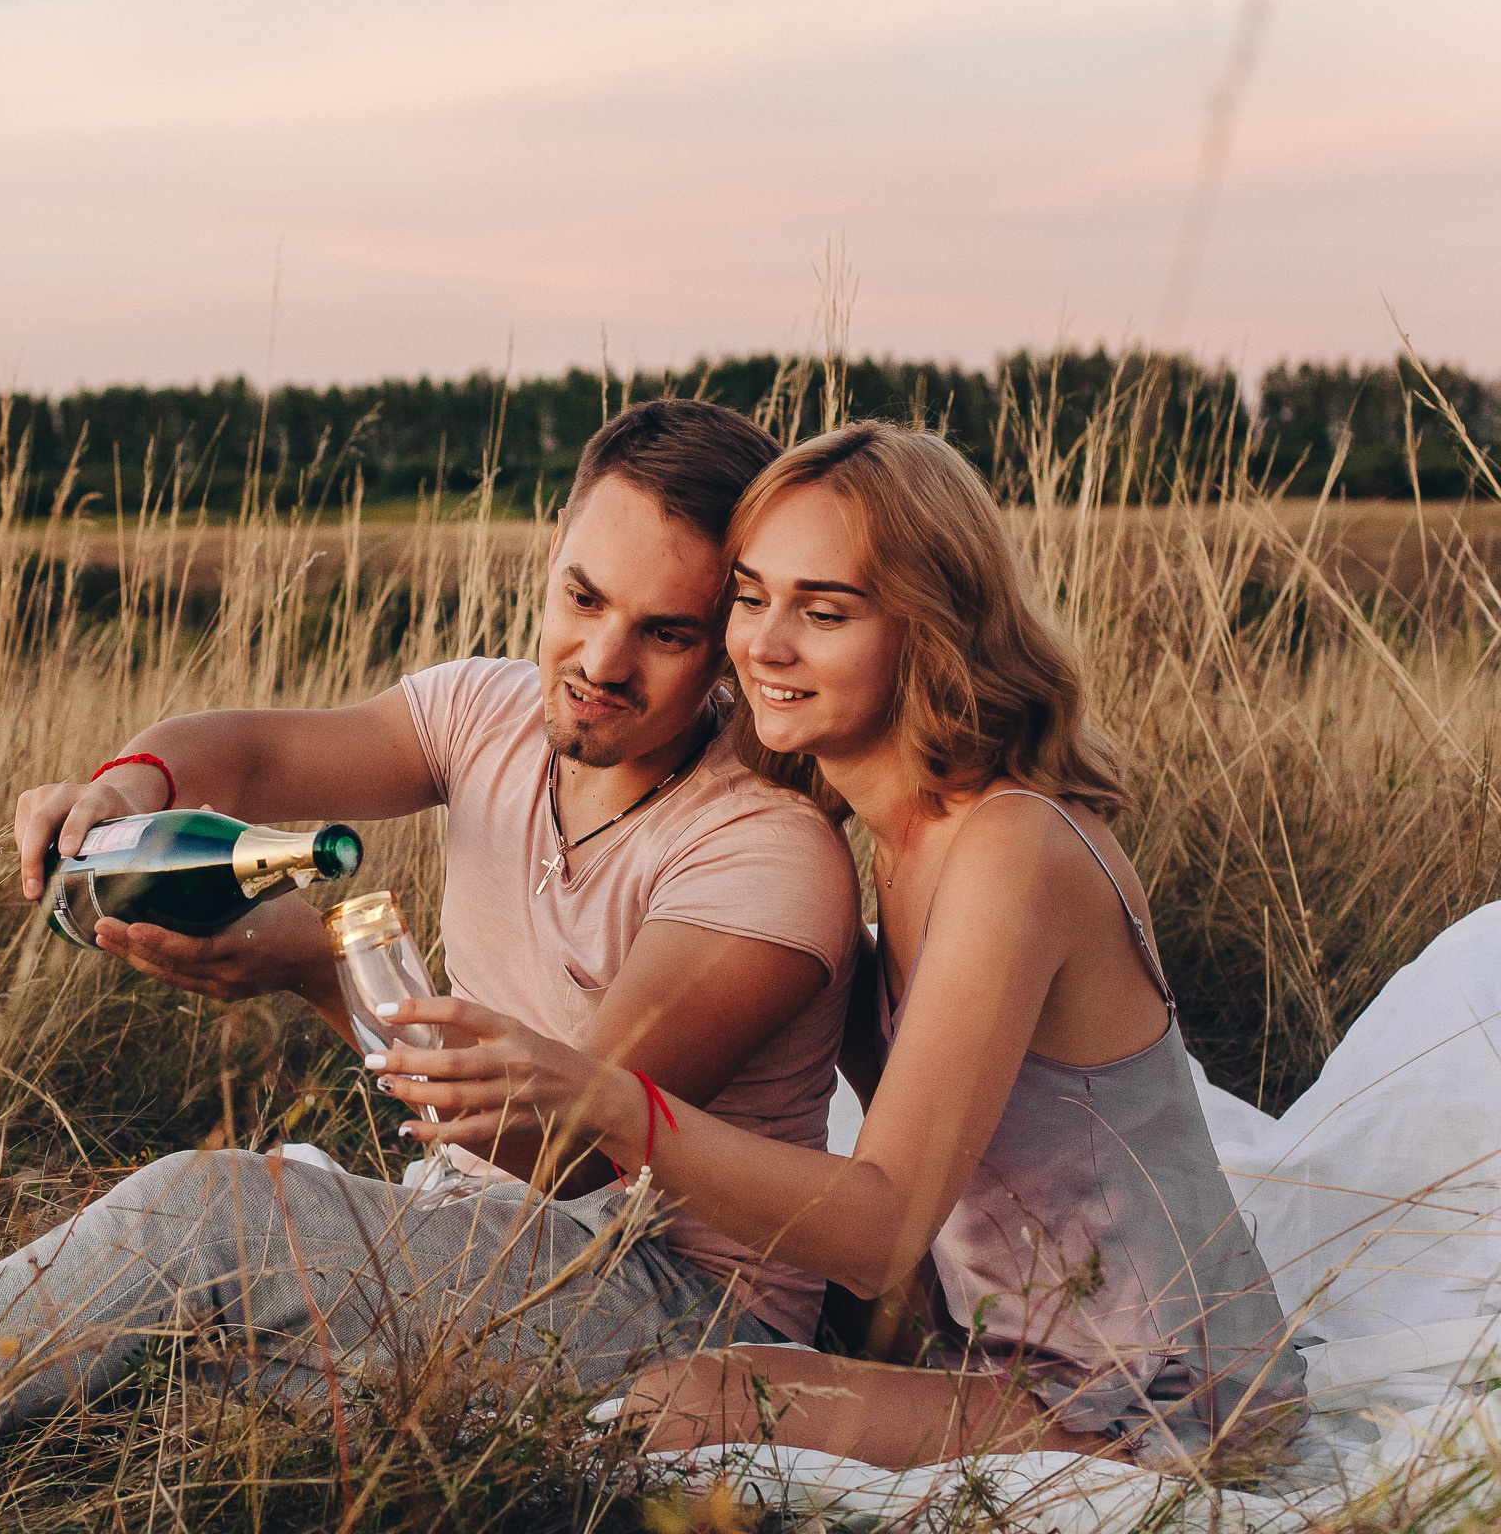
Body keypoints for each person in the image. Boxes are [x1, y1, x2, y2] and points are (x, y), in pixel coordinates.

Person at [0, 400, 863, 1481]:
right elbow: (253, 756)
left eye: (665, 631)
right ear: (553, 553)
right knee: (143, 1322)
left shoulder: (761, 851)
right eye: (584, 597)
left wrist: (317, 969)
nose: (603, 661)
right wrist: (126, 791)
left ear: (732, 638)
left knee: (205, 1220)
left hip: (674, 1297)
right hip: (480, 1224)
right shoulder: (489, 712)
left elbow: (563, 1149)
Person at [359, 421, 1309, 1470]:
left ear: (930, 629)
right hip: (994, 1355)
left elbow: (882, 1226)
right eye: (750, 597)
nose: (765, 645)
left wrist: (612, 1104)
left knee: (676, 1407)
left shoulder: (1013, 849)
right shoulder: (886, 843)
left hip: (1158, 1397)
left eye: (824, 611)